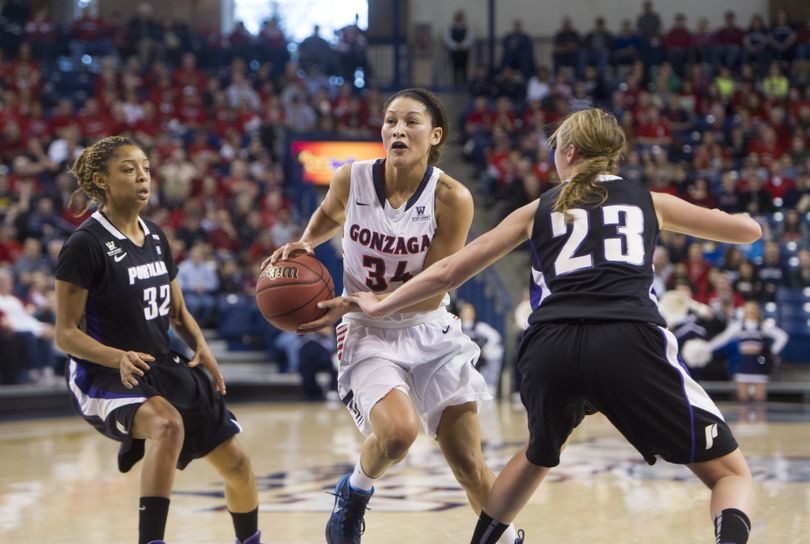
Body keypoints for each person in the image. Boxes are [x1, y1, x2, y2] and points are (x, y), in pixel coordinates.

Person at [351, 109, 761, 544]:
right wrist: (734, 216)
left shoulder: (538, 208)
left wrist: (381, 305)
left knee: (538, 454)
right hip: (626, 339)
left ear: (568, 152)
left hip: (549, 347)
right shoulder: (650, 201)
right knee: (729, 474)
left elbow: (448, 272)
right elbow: (748, 232)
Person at [265, 88, 520, 544]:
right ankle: (355, 490)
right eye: (390, 121)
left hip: (429, 327)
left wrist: (360, 299)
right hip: (368, 332)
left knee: (469, 466)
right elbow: (328, 214)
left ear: (435, 134)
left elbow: (434, 287)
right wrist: (307, 242)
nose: (397, 130)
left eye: (411, 122)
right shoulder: (352, 178)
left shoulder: (452, 198)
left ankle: (507, 539)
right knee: (399, 434)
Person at [54, 136, 262, 544]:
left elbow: (177, 311)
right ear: (102, 181)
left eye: (146, 168)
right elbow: (65, 333)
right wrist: (117, 358)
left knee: (237, 465)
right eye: (129, 169)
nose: (143, 177)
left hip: (160, 362)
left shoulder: (155, 236)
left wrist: (203, 348)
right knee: (167, 424)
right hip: (103, 373)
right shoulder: (84, 245)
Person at [705, 300, 788, 403]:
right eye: (748, 309)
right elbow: (723, 338)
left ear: (757, 311)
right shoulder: (738, 326)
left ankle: (760, 418)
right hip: (744, 363)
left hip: (758, 365)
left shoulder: (762, 326)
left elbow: (782, 336)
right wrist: (707, 348)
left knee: (760, 402)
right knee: (743, 401)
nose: (751, 312)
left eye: (753, 309)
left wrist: (772, 352)